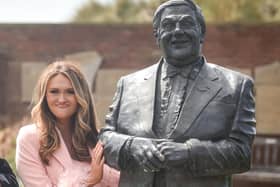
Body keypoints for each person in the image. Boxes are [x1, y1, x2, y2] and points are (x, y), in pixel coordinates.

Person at [99, 0, 256, 186]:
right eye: (168, 25)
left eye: (187, 23)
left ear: (202, 33)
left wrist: (190, 153)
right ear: (157, 35)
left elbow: (242, 154)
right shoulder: (128, 85)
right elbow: (105, 139)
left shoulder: (235, 86)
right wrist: (131, 146)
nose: (178, 30)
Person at [16, 61, 119, 187]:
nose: (62, 99)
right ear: (45, 96)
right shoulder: (29, 138)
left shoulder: (96, 139)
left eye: (70, 92)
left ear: (81, 96)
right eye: (54, 91)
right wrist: (91, 181)